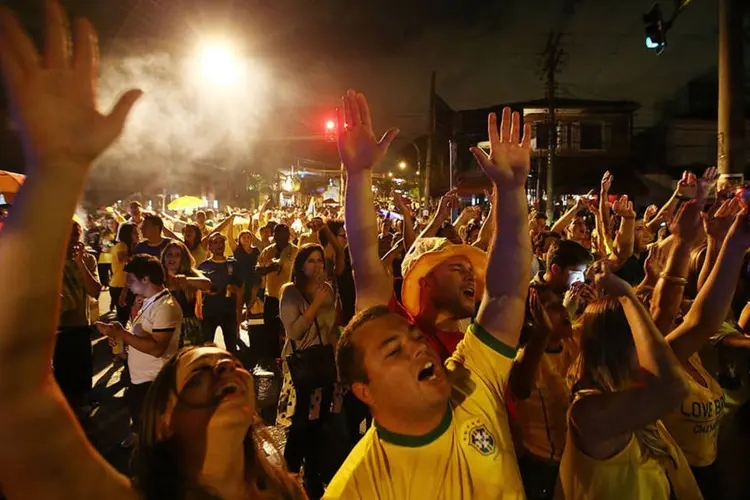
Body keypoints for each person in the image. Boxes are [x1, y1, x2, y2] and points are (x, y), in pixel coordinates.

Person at [0, 4, 305, 499]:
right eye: (205, 372)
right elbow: (14, 398)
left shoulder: (287, 488)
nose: (225, 365)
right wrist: (57, 170)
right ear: (163, 418)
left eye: (222, 364)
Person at [324, 91, 530, 498]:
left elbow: (506, 295)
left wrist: (511, 192)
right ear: (364, 390)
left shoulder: (471, 376)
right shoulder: (357, 488)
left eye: (415, 340)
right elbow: (366, 263)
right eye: (393, 350)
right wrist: (359, 176)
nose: (418, 348)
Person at [278, 244, 344, 499]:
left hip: (325, 362)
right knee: (303, 421)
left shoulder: (328, 291)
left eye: (320, 261)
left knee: (319, 419)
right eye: (311, 261)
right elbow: (294, 332)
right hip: (303, 366)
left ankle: (313, 473)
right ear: (300, 265)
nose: (317, 266)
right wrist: (316, 301)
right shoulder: (290, 293)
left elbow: (331, 328)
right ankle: (291, 473)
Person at [97, 255, 183, 447]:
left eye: (131, 279)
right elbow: (141, 340)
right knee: (140, 420)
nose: (127, 284)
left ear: (145, 279)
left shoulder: (165, 307)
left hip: (154, 379)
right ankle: (138, 439)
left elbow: (158, 348)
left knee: (156, 433)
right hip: (139, 378)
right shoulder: (148, 302)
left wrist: (123, 334)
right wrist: (121, 342)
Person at [509, 285, 578, 500]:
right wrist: (542, 332)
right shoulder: (525, 361)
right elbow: (521, 388)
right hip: (544, 467)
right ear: (533, 319)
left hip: (574, 459)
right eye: (551, 307)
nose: (562, 308)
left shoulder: (571, 344)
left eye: (560, 302)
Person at [55, 221, 102, 417]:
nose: (73, 240)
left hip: (80, 325)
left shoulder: (88, 259)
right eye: (69, 235)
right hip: (55, 328)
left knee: (81, 374)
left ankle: (82, 409)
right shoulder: (48, 260)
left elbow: (95, 291)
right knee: (58, 377)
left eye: (76, 235)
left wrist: (80, 263)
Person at [256, 224, 298, 360]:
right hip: (272, 296)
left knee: (289, 329)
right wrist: (269, 269)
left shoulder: (295, 251)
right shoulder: (268, 251)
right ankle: (274, 359)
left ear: (288, 235)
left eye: (283, 234)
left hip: (289, 296)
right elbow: (257, 269)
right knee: (270, 330)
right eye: (277, 234)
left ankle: (291, 356)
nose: (280, 237)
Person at [198, 233, 243, 354]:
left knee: (231, 348)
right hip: (209, 313)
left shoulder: (233, 264)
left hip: (228, 312)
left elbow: (240, 289)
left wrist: (239, 312)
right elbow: (197, 289)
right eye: (215, 242)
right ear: (210, 247)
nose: (220, 245)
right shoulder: (203, 267)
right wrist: (206, 290)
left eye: (222, 242)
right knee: (206, 348)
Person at [160, 240, 211, 348]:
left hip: (187, 330)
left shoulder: (190, 275)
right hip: (163, 327)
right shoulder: (159, 278)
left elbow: (207, 285)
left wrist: (186, 280)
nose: (172, 258)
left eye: (177, 255)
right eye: (169, 254)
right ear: (164, 257)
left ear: (183, 259)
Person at [110, 222, 138, 327]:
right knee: (123, 319)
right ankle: (119, 340)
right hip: (120, 285)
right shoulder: (121, 245)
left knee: (128, 317)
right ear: (128, 234)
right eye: (135, 232)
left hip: (123, 285)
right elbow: (124, 259)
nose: (138, 234)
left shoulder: (127, 246)